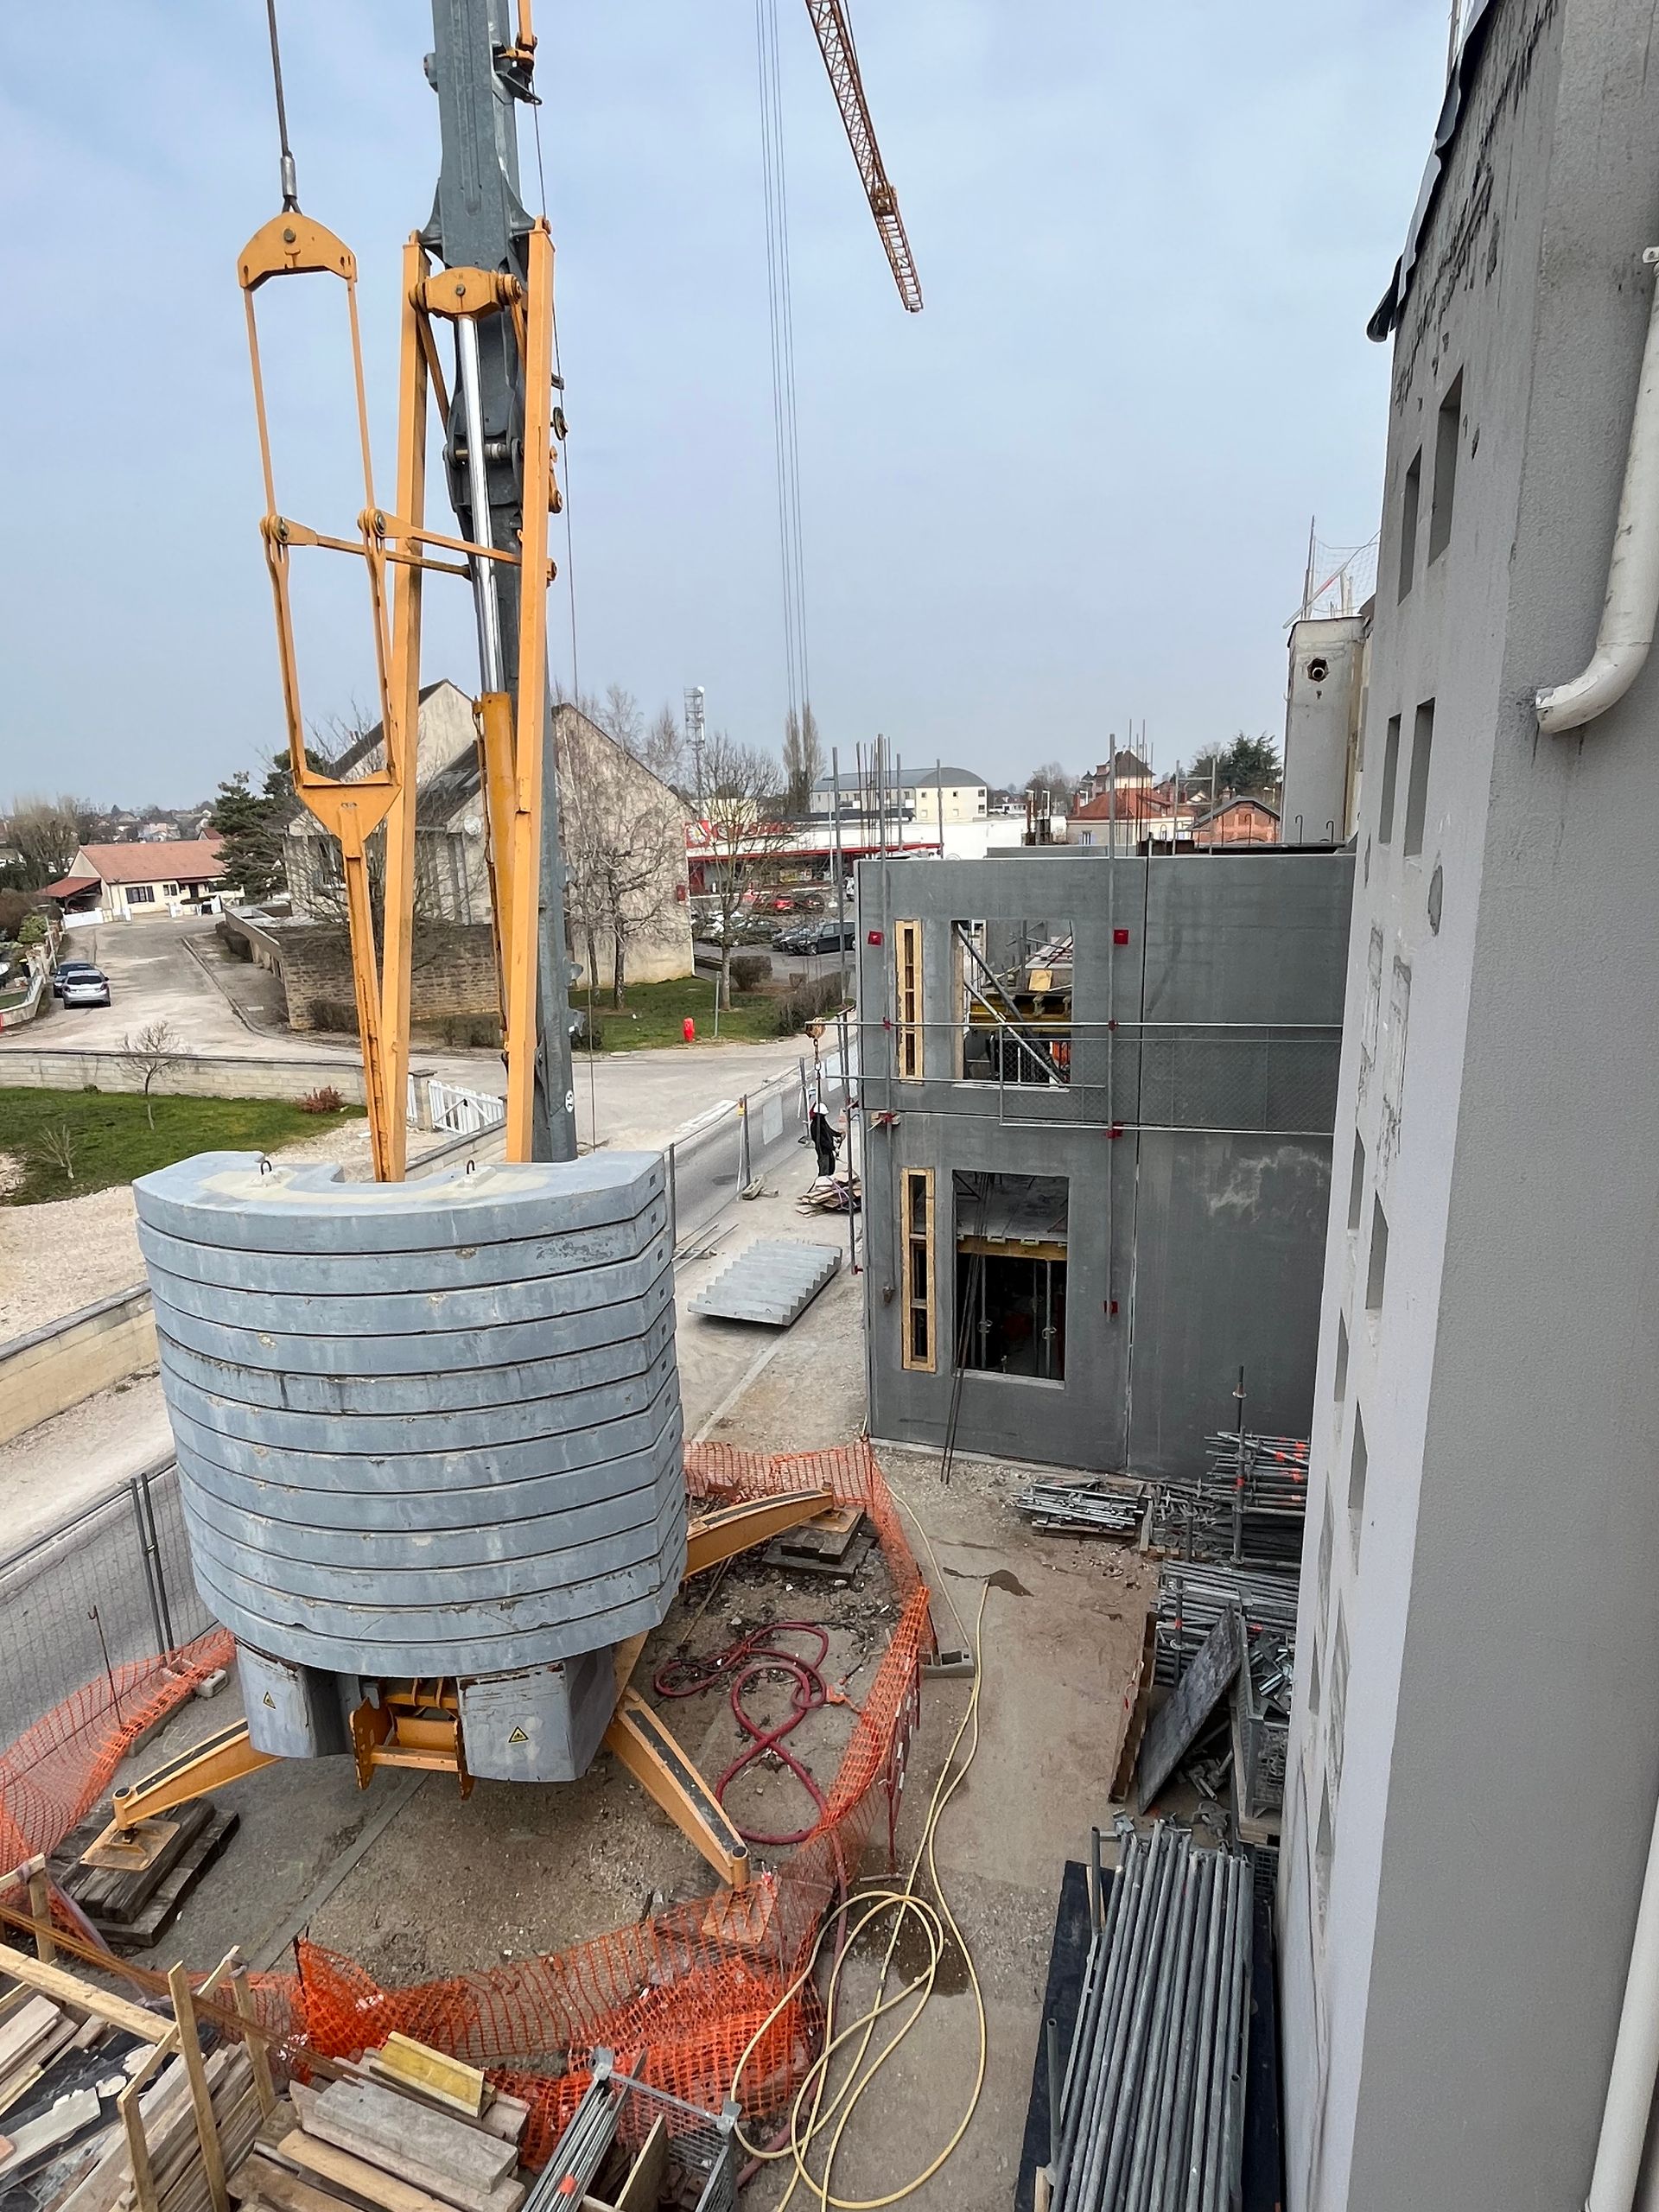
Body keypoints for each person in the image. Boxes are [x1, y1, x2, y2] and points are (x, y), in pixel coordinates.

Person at [808, 1103, 839, 1179]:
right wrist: (833, 1148)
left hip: (828, 1151)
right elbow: (822, 1141)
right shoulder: (815, 1126)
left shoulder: (822, 1122)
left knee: (831, 1168)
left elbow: (829, 1130)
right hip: (823, 1152)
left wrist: (837, 1134)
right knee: (825, 1172)